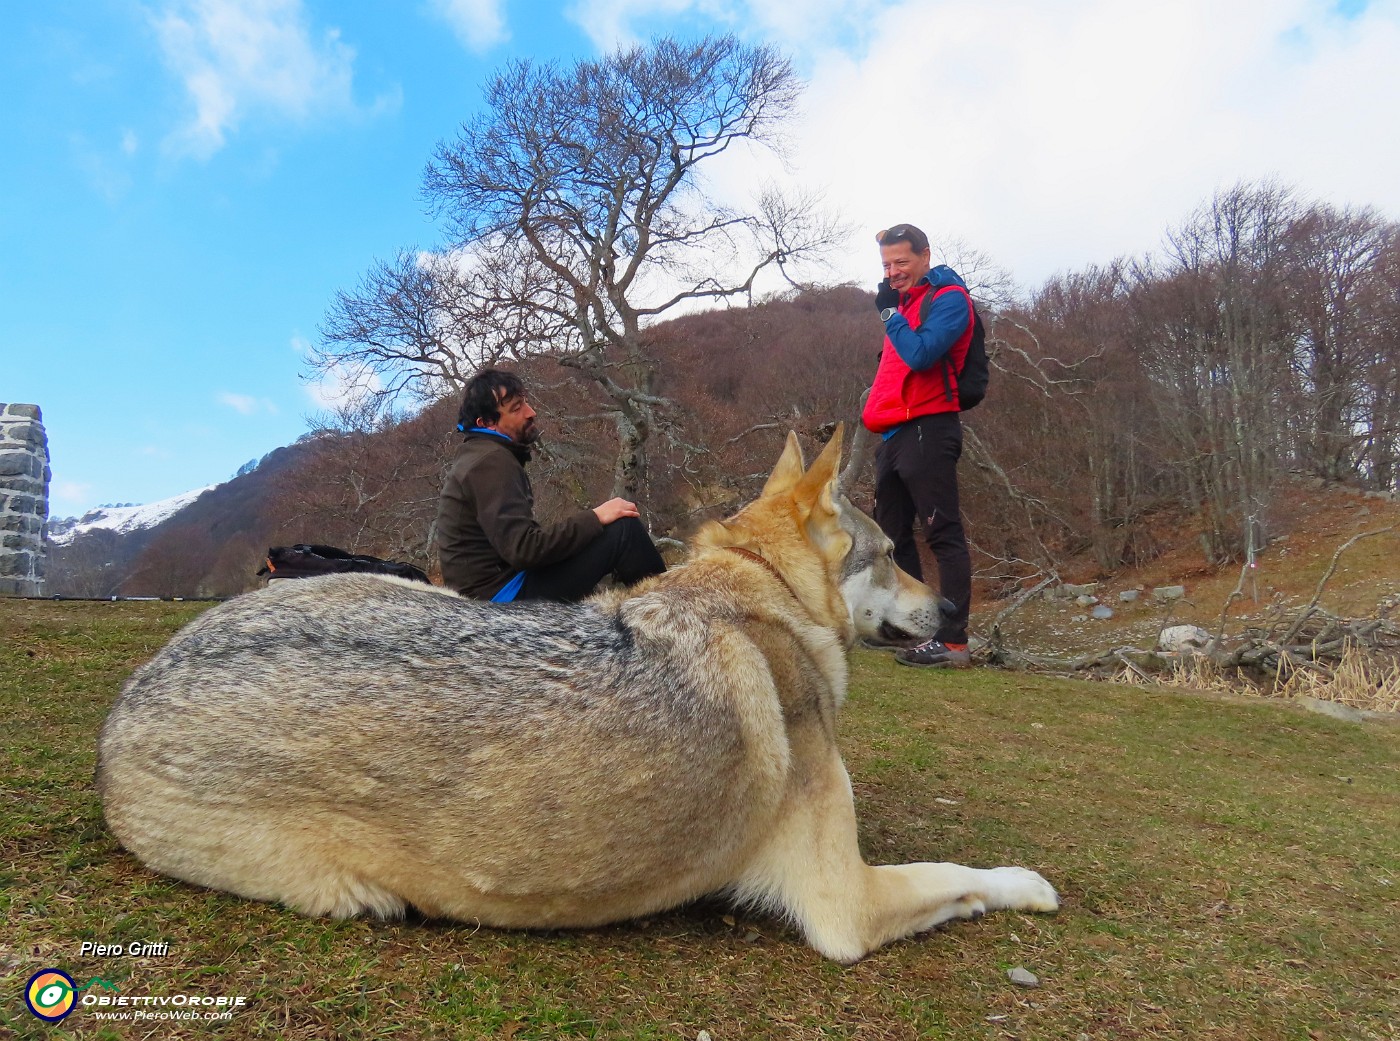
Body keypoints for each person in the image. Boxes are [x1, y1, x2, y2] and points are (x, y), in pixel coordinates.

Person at [437, 368, 666, 602]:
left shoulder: (479, 455)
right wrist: (596, 518)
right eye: (516, 408)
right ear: (486, 423)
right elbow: (524, 549)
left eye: (525, 403)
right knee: (623, 531)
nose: (531, 412)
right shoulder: (490, 462)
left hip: (499, 588)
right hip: (500, 600)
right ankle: (674, 613)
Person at [862, 223, 975, 668]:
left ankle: (952, 643)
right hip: (893, 434)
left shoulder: (949, 300)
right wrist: (895, 312)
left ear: (925, 256)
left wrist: (889, 315)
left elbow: (923, 355)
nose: (892, 272)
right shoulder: (904, 305)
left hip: (930, 426)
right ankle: (909, 628)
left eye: (901, 262)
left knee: (942, 531)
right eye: (887, 264)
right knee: (890, 533)